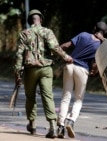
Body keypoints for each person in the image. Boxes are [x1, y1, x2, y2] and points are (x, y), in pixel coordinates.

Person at [14, 9, 73, 138]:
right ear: (40, 19)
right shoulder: (47, 32)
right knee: (48, 96)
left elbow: (19, 55)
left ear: (30, 21)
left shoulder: (24, 34)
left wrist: (18, 74)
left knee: (30, 97)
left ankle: (32, 124)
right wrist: (66, 57)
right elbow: (55, 47)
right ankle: (52, 126)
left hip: (31, 70)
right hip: (46, 68)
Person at [56, 21, 107, 138]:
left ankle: (60, 126)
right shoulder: (100, 45)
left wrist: (57, 50)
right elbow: (95, 64)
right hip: (82, 70)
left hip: (70, 65)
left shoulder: (83, 34)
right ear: (105, 33)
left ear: (94, 28)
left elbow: (67, 45)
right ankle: (70, 121)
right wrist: (94, 71)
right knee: (78, 99)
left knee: (66, 96)